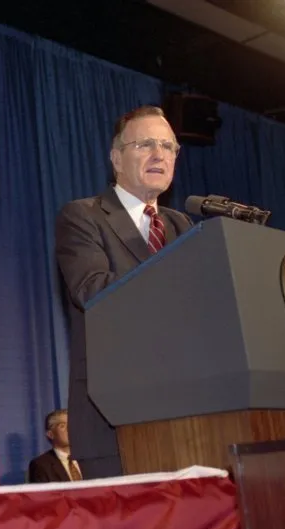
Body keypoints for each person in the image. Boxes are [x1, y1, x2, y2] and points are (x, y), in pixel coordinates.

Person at [54, 105, 193, 478]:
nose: (159, 154)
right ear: (117, 158)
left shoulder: (183, 224)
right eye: (146, 144)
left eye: (168, 146)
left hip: (190, 413)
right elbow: (93, 291)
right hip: (113, 416)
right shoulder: (84, 216)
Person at [27, 409, 82, 483]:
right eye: (62, 426)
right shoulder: (41, 465)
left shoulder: (88, 459)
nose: (69, 429)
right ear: (51, 434)